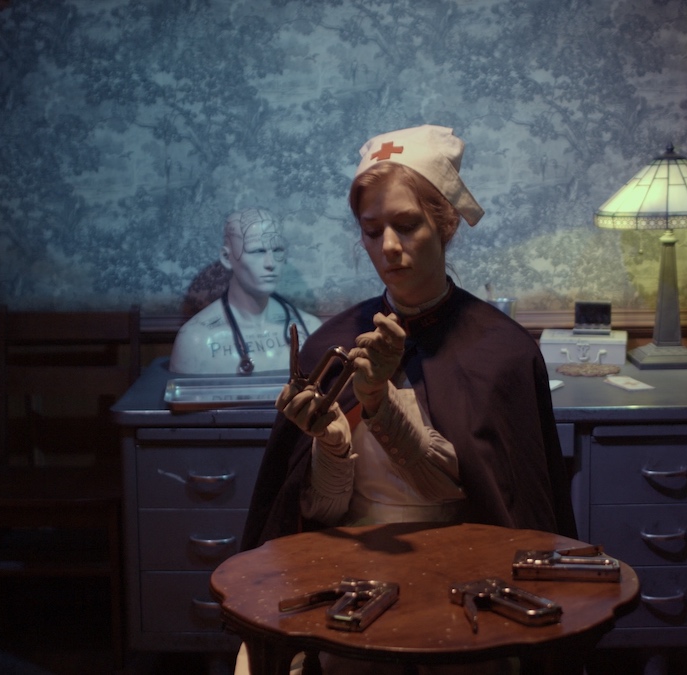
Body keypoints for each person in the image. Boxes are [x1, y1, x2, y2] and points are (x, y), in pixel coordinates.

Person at [243, 124, 576, 547]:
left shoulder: (503, 353)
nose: (389, 247)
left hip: (464, 571)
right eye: (371, 229)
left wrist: (377, 400)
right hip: (346, 569)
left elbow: (491, 505)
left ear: (446, 224)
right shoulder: (332, 344)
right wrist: (330, 444)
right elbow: (315, 516)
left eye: (406, 225)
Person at [169, 208, 322, 375]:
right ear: (227, 258)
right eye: (257, 251)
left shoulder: (310, 329)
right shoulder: (195, 341)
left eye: (277, 250)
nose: (270, 263)